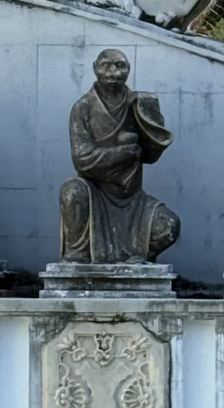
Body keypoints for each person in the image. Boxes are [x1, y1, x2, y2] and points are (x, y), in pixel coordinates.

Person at [59, 48, 180, 263]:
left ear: (129, 70)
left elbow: (151, 155)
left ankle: (139, 257)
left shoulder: (136, 104)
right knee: (72, 192)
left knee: (169, 225)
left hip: (133, 199)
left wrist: (150, 115)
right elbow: (82, 159)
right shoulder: (83, 108)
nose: (113, 71)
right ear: (95, 68)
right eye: (107, 65)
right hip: (95, 193)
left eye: (120, 66)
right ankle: (78, 257)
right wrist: (122, 154)